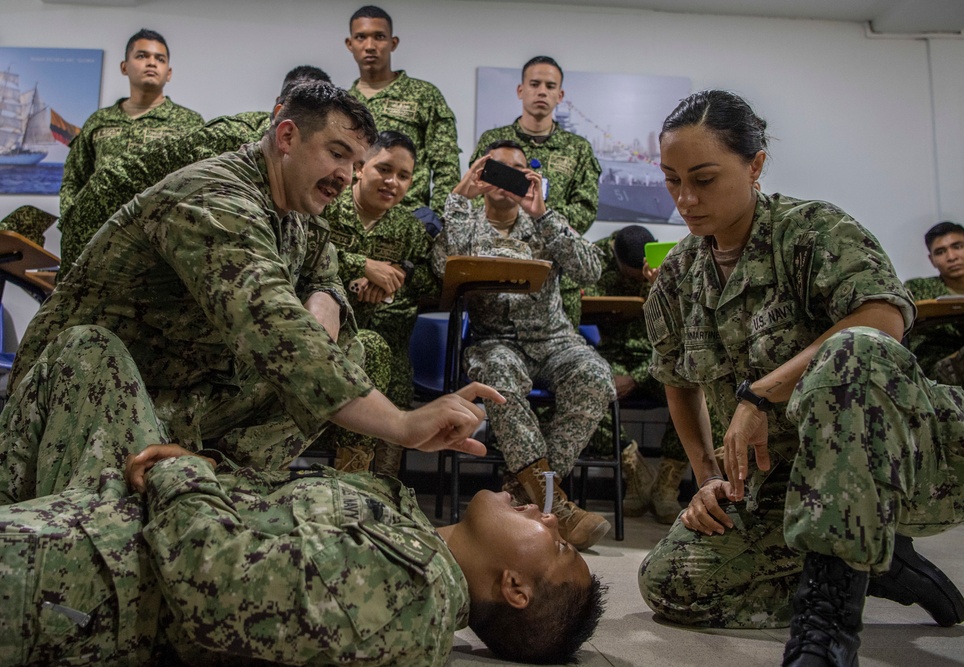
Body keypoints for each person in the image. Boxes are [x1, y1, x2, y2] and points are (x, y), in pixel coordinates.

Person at [636, 90, 964, 667]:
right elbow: (677, 379)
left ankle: (827, 628)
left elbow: (883, 319)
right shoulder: (677, 277)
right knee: (671, 583)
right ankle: (874, 560)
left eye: (703, 178)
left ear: (755, 165)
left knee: (854, 350)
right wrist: (706, 477)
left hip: (909, 466)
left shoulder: (812, 232)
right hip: (781, 484)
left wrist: (761, 392)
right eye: (672, 179)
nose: (685, 199)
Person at [0, 325, 604, 666]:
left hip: (96, 571)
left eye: (554, 545)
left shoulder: (413, 593)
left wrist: (183, 474)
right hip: (133, 517)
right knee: (88, 353)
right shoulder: (410, 533)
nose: (548, 516)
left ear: (515, 589)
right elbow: (270, 506)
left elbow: (214, 584)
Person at [4, 82, 489, 497]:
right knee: (297, 355)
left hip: (180, 385)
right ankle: (126, 504)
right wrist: (404, 425)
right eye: (337, 153)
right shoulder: (214, 198)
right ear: (286, 136)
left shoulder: (300, 209)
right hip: (90, 386)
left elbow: (323, 276)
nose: (347, 175)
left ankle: (216, 476)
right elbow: (274, 328)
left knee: (346, 348)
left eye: (355, 162)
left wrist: (322, 308)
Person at [432, 139, 616, 550]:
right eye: (495, 169)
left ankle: (522, 491)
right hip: (495, 342)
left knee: (595, 375)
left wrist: (545, 215)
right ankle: (555, 505)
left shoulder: (545, 222)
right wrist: (460, 200)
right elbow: (440, 268)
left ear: (529, 179)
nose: (506, 178)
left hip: (554, 340)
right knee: (498, 372)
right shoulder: (466, 221)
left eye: (516, 170)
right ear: (479, 172)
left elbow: (591, 269)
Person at [57, 65, 330, 274]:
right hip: (113, 227)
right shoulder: (234, 140)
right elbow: (122, 180)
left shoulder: (316, 161)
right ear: (279, 110)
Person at [326, 130, 440, 475]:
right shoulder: (328, 207)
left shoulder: (408, 228)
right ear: (360, 167)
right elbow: (306, 254)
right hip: (332, 340)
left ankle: (383, 496)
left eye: (403, 176)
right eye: (384, 169)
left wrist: (394, 276)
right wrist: (360, 267)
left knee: (396, 387)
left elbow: (431, 278)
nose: (393, 182)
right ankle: (350, 485)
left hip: (392, 345)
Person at [471, 55, 602, 324]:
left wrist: (541, 216)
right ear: (521, 90)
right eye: (535, 83)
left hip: (555, 272)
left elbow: (585, 209)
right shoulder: (493, 142)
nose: (542, 91)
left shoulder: (578, 149)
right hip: (499, 265)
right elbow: (476, 193)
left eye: (550, 86)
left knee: (560, 355)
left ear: (560, 95)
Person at [583, 224, 693, 524]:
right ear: (616, 260)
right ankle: (634, 471)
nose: (636, 278)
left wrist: (663, 288)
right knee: (587, 390)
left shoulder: (672, 261)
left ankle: (667, 488)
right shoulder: (593, 262)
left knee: (694, 387)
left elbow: (687, 331)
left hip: (658, 358)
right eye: (628, 275)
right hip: (614, 357)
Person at [58, 29, 203, 240]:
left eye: (159, 59)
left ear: (168, 72)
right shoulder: (98, 121)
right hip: (100, 239)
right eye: (142, 56)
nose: (151, 63)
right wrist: (73, 225)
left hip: (163, 242)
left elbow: (201, 185)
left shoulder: (191, 123)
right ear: (124, 67)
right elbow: (73, 179)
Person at [345, 5, 460, 224]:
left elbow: (447, 164)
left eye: (379, 37)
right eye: (361, 37)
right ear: (350, 44)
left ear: (393, 43)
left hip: (409, 218)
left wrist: (439, 216)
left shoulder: (424, 96)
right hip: (351, 217)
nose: (369, 46)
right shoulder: (343, 102)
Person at [904, 221, 964, 450]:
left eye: (957, 246)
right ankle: (959, 363)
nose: (951, 256)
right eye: (941, 251)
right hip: (933, 362)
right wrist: (958, 316)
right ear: (932, 260)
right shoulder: (918, 288)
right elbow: (904, 323)